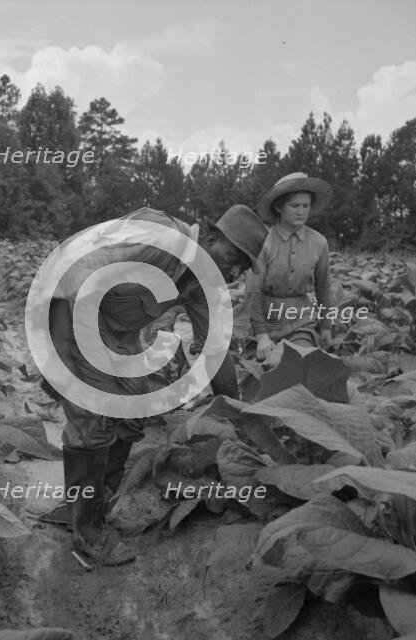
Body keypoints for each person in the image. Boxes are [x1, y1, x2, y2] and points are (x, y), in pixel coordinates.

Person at [38, 205, 268, 566]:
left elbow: (216, 351)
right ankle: (89, 537)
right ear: (211, 237)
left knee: (133, 414)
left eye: (244, 266)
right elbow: (68, 277)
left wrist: (239, 420)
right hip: (70, 313)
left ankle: (90, 505)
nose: (236, 271)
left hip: (116, 333)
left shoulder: (201, 280)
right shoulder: (160, 238)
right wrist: (60, 363)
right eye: (235, 257)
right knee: (93, 421)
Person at [248, 172, 333, 361]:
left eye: (306, 206)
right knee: (261, 376)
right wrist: (261, 336)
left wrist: (326, 326)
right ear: (279, 207)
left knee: (302, 364)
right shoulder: (264, 241)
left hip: (302, 321)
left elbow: (323, 286)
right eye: (295, 206)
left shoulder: (319, 242)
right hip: (266, 325)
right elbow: (252, 292)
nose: (301, 212)